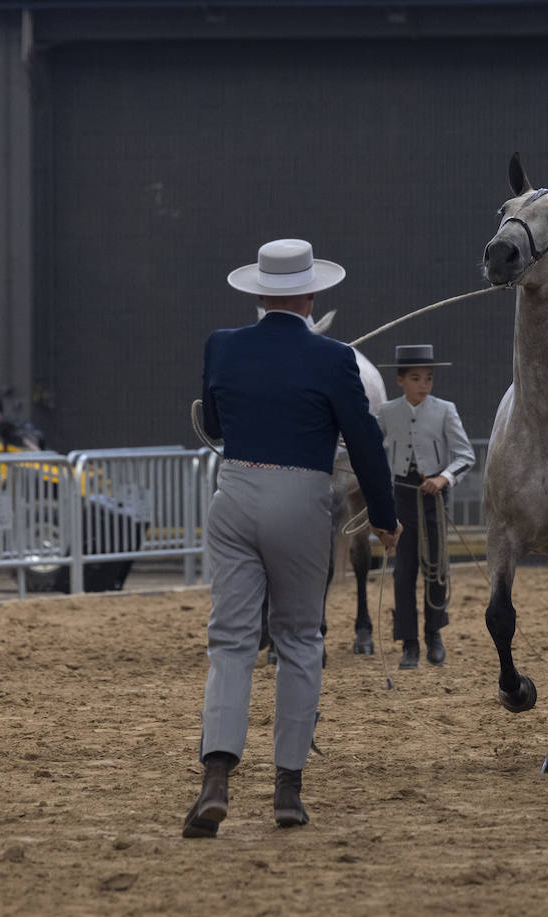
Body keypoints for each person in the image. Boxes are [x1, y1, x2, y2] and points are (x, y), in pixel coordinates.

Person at [184, 239, 401, 838]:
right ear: (311, 294)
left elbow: (220, 423)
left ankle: (216, 778)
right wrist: (383, 515)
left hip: (233, 494)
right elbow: (363, 442)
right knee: (300, 640)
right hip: (301, 500)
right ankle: (287, 788)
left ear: (257, 292)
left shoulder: (221, 346)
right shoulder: (336, 360)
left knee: (229, 642)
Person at [376, 344, 476, 669]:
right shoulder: (387, 412)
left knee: (436, 568)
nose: (424, 384)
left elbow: (465, 456)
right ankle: (409, 644)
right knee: (403, 571)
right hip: (401, 498)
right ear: (400, 380)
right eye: (416, 378)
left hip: (433, 499)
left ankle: (434, 634)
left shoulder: (445, 410)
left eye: (429, 378)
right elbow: (371, 450)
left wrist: (443, 478)